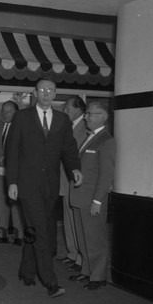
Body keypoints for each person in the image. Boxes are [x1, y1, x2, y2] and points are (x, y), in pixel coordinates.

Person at [6, 76, 82, 298]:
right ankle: (50, 281)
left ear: (55, 94)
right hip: (26, 185)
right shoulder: (22, 118)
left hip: (50, 186)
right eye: (42, 90)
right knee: (41, 230)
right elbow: (12, 152)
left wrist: (75, 169)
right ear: (35, 93)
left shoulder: (62, 120)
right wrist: (11, 182)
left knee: (34, 227)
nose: (46, 94)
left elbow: (69, 149)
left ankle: (26, 271)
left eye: (51, 90)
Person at [69, 101, 115, 290]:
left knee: (95, 239)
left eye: (90, 114)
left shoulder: (106, 140)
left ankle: (98, 276)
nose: (86, 117)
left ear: (103, 117)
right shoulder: (91, 137)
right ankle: (87, 271)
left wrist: (98, 200)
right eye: (86, 114)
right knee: (83, 237)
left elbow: (106, 174)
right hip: (81, 197)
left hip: (92, 200)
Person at [59, 96, 87, 272]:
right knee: (67, 219)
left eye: (68, 108)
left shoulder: (85, 129)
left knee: (77, 220)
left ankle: (81, 257)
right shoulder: (68, 127)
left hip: (75, 181)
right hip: (64, 180)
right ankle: (72, 253)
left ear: (77, 109)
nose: (65, 111)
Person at [0, 100, 24, 245]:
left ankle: (19, 235)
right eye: (3, 111)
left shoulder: (23, 129)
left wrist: (8, 158)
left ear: (16, 113)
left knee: (16, 204)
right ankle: (2, 233)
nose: (5, 114)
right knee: (1, 203)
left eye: (9, 111)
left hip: (16, 173)